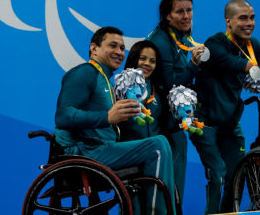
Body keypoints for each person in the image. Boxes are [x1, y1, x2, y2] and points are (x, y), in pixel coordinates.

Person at [55, 26, 177, 215]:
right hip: (88, 152)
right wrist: (107, 117)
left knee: (159, 142)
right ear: (94, 48)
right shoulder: (85, 73)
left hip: (100, 148)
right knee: (158, 145)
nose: (120, 52)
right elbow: (62, 116)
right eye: (113, 46)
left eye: (122, 48)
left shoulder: (106, 80)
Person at [190, 0, 260, 214]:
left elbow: (243, 80)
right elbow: (227, 61)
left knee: (236, 178)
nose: (249, 23)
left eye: (252, 18)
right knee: (218, 177)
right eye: (243, 18)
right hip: (205, 124)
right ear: (228, 21)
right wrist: (249, 66)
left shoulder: (254, 47)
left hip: (231, 125)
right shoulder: (214, 43)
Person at [147, 0, 206, 202]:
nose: (186, 16)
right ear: (166, 15)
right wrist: (193, 65)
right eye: (179, 12)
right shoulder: (161, 41)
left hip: (173, 121)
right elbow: (169, 83)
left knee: (175, 180)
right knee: (167, 182)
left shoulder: (182, 37)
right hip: (161, 123)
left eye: (189, 10)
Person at [119, 40, 184, 212]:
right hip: (131, 152)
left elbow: (166, 124)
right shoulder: (121, 85)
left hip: (155, 157)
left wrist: (182, 117)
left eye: (152, 61)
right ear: (133, 59)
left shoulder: (159, 89)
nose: (147, 64)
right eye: (142, 58)